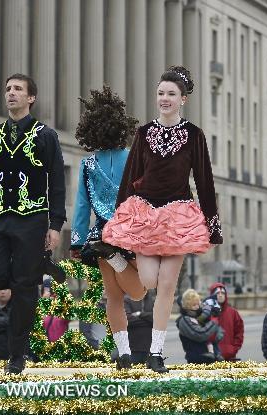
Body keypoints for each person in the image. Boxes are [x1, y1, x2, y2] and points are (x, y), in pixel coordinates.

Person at [101, 66, 221, 373]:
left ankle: (156, 353)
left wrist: (212, 222)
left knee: (167, 287)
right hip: (144, 214)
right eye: (160, 93)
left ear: (183, 99)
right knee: (149, 281)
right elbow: (130, 177)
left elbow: (204, 180)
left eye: (171, 94)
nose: (164, 99)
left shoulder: (194, 135)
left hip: (179, 215)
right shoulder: (143, 133)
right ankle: (116, 260)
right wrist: (119, 218)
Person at [0, 74, 67, 374]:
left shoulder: (46, 135)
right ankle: (35, 268)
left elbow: (56, 180)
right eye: (7, 89)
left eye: (17, 89)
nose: (11, 93)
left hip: (32, 219)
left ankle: (16, 355)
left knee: (25, 289)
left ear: (31, 98)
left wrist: (55, 225)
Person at [68, 85, 146, 369]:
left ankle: (123, 352)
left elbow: (81, 205)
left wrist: (77, 242)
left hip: (102, 231)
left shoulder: (88, 163)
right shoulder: (136, 158)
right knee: (138, 291)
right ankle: (114, 256)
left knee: (112, 296)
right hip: (132, 232)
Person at [176, 289, 224, 364]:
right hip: (197, 360)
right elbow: (200, 335)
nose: (197, 307)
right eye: (193, 305)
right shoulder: (184, 320)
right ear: (187, 306)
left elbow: (219, 332)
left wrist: (217, 335)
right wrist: (214, 323)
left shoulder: (201, 315)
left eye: (198, 304)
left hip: (211, 359)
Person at [209, 283, 243, 361]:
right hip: (212, 357)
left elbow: (239, 332)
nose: (220, 295)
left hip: (229, 356)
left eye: (223, 293)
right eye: (217, 293)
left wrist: (234, 348)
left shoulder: (233, 312)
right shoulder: (206, 312)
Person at [124, 290, 154, 364]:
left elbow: (157, 318)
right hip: (132, 346)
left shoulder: (151, 300)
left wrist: (139, 314)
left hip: (149, 346)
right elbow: (127, 320)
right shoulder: (127, 299)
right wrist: (148, 320)